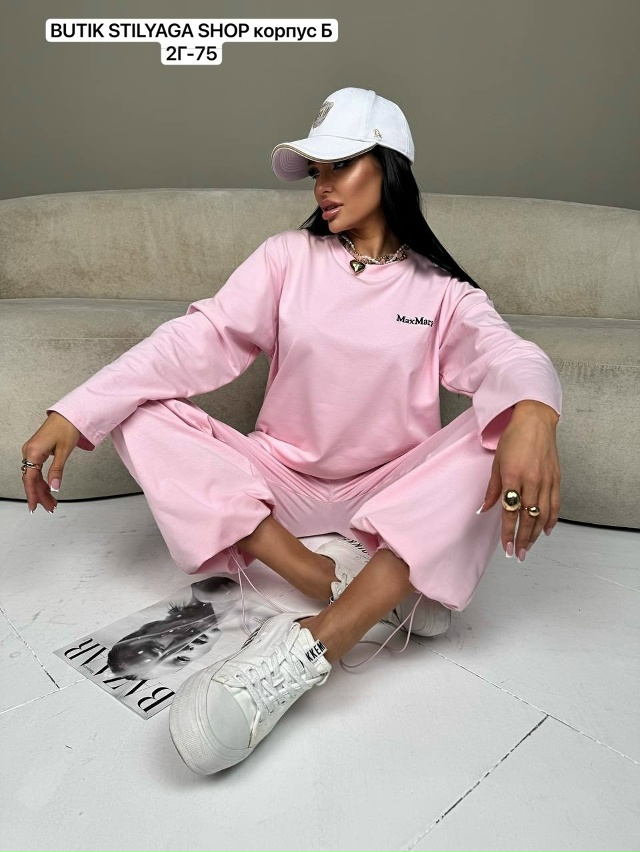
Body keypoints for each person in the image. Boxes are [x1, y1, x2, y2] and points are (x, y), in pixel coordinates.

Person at [20, 87, 562, 775]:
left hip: (387, 493)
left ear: (389, 167)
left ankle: (319, 640)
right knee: (135, 408)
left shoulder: (444, 293)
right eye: (316, 171)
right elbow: (200, 337)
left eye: (340, 166)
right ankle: (330, 575)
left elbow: (507, 354)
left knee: (501, 422)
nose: (322, 186)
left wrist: (534, 413)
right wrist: (76, 410)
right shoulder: (286, 258)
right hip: (280, 480)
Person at [106, 576, 238, 681]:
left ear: (152, 626)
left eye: (158, 648)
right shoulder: (233, 623)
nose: (180, 649)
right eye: (182, 659)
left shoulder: (211, 592)